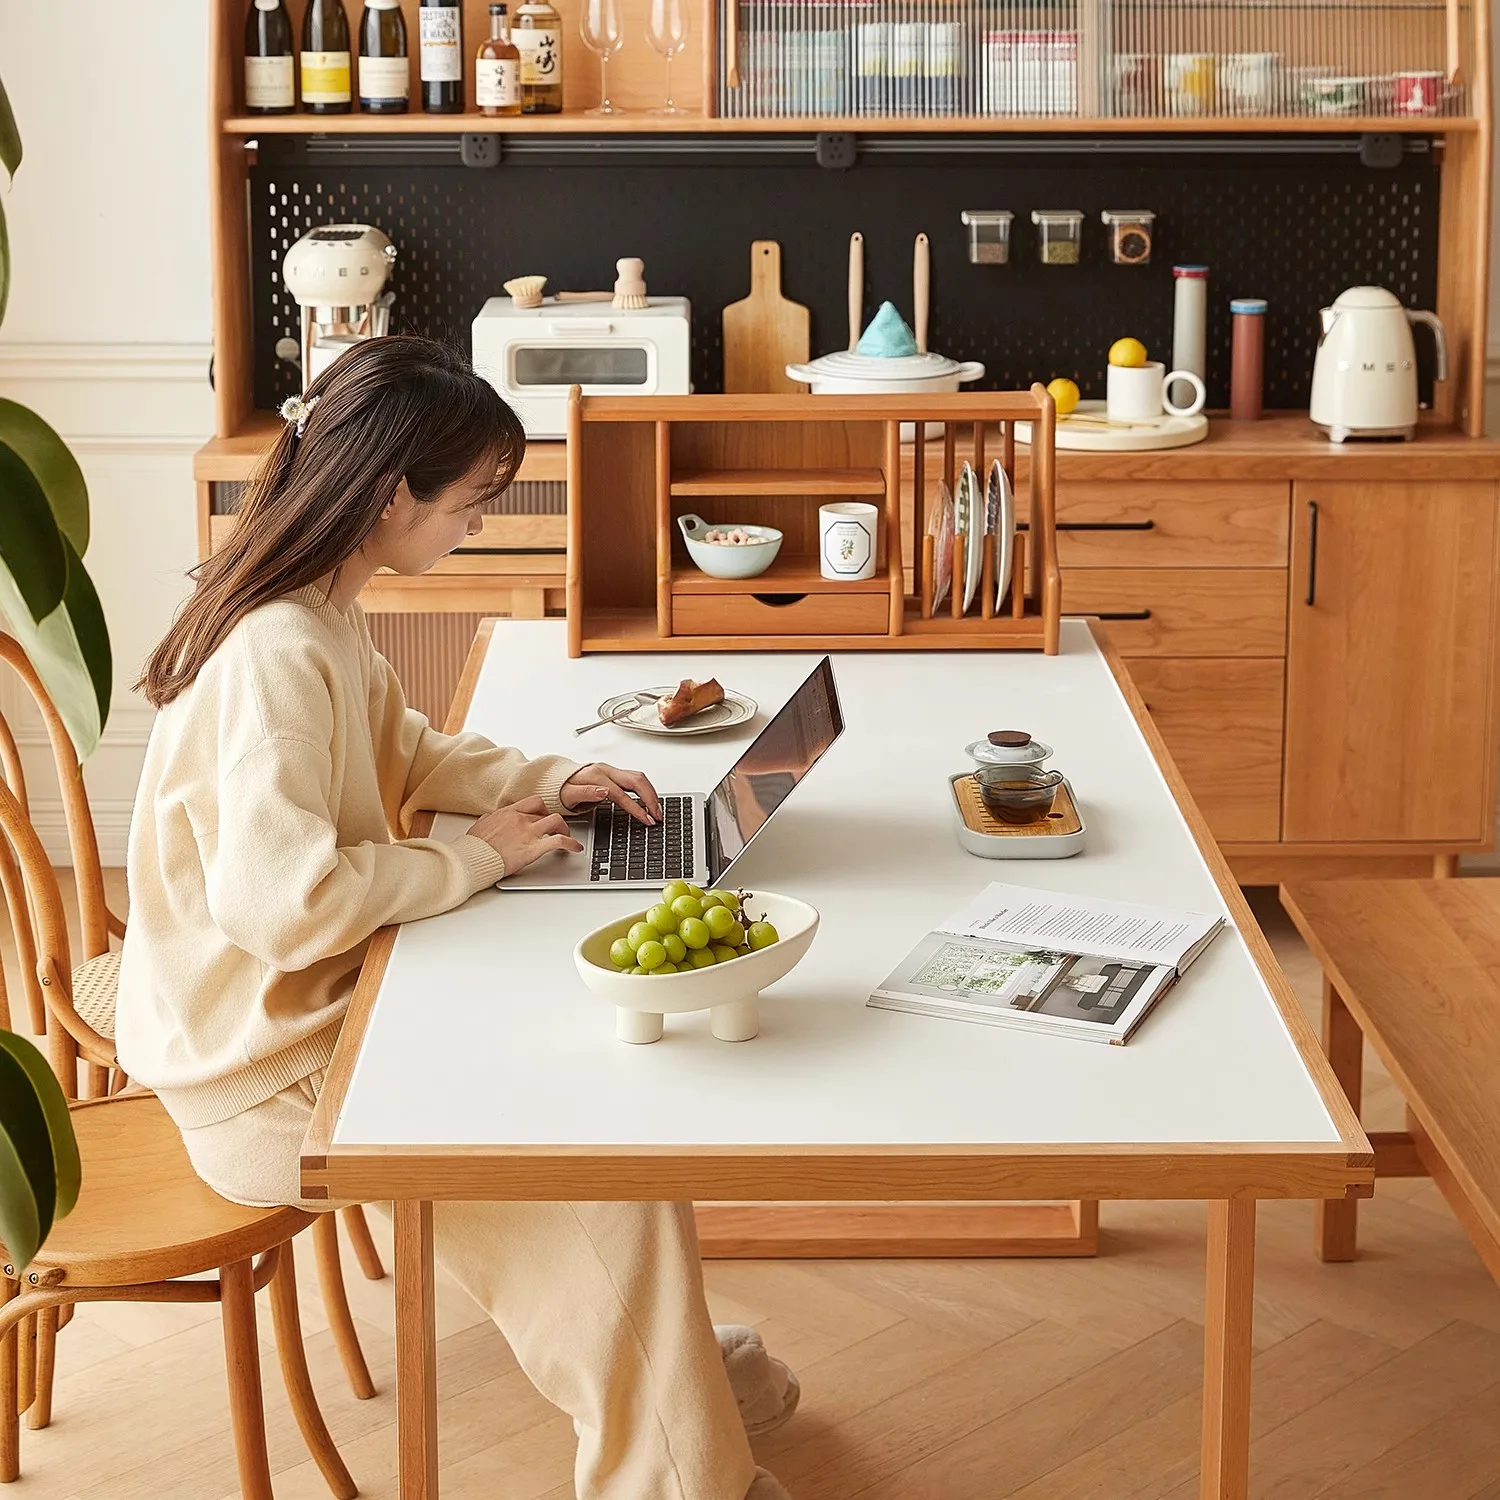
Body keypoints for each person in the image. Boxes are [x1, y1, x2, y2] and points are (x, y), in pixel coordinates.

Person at [116, 336, 798, 1500]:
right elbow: (285, 909)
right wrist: (476, 861)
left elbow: (408, 751)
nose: (474, 528)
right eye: (468, 507)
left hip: (299, 1025)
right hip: (262, 1077)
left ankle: (680, 1414)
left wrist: (543, 778)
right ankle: (679, 1466)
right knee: (570, 1144)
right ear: (394, 497)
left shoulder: (319, 609)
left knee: (597, 1114)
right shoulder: (277, 651)